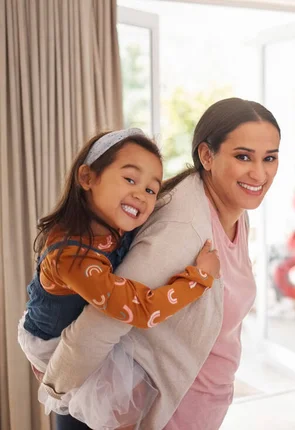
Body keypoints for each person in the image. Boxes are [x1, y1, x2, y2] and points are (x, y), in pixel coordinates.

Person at [37, 98, 281, 430]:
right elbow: (104, 321)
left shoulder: (234, 210)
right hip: (148, 416)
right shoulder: (182, 228)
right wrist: (56, 390)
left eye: (270, 158)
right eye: (243, 157)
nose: (260, 172)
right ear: (207, 156)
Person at [17, 129, 220, 429]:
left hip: (81, 323)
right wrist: (199, 278)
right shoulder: (71, 256)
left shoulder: (112, 222)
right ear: (87, 178)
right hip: (52, 343)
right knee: (119, 410)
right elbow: (140, 309)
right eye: (130, 179)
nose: (141, 194)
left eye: (151, 190)